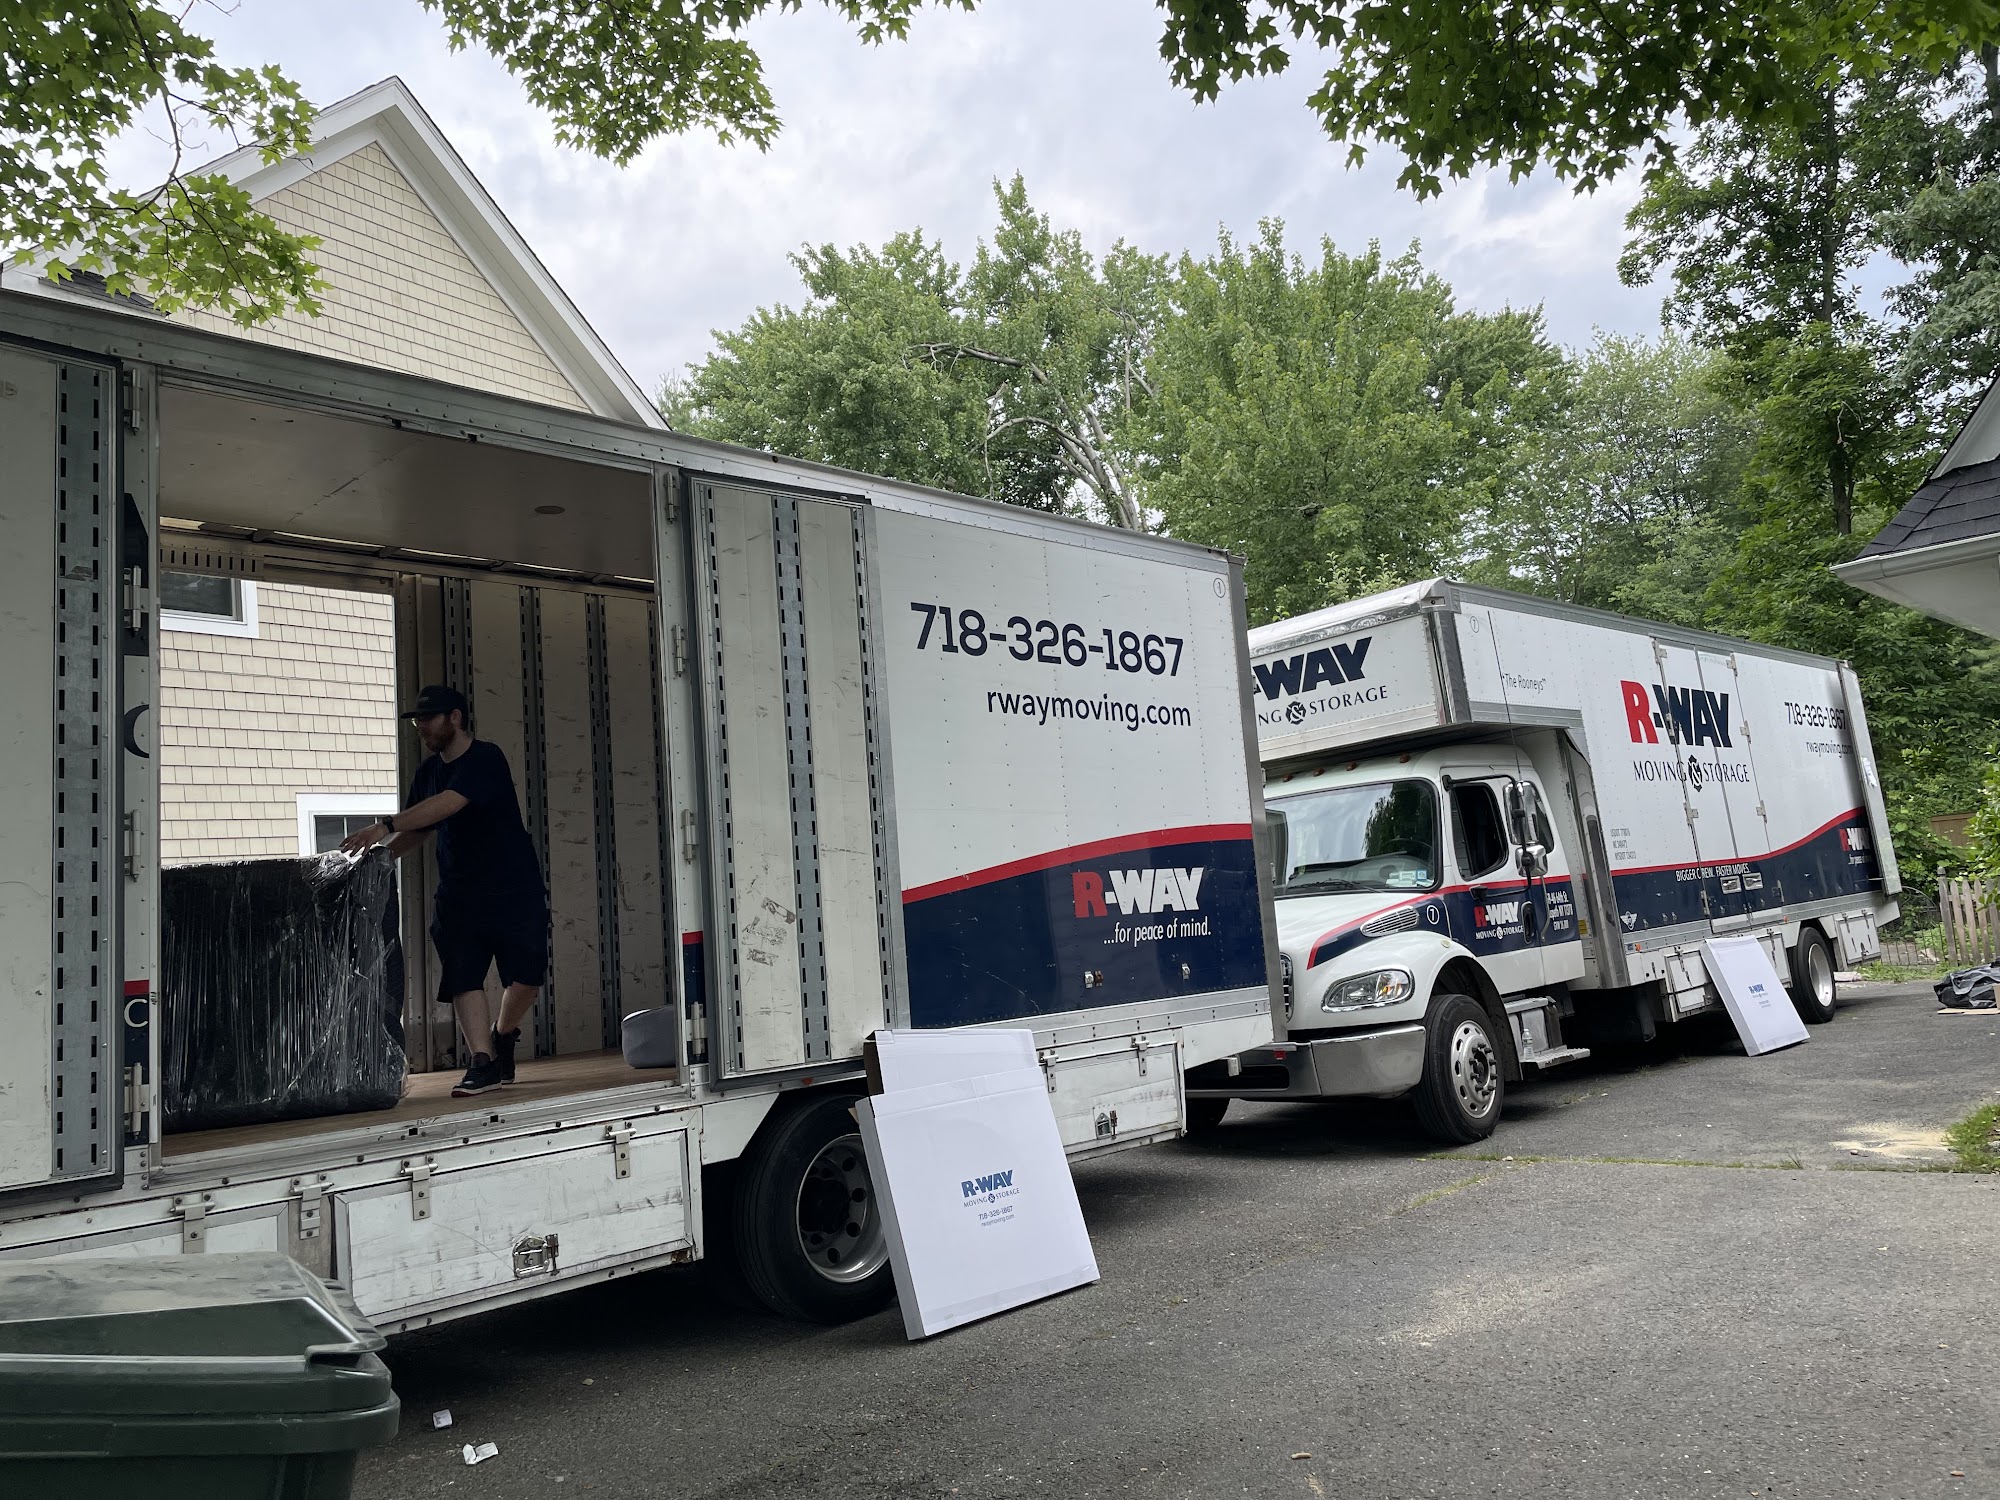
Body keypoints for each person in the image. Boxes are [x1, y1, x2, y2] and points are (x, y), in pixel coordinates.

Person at [342, 685, 548, 1097]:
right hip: (459, 893)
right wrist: (381, 858)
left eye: (428, 718)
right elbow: (422, 826)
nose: (420, 727)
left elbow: (449, 804)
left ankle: (503, 1034)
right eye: (416, 720)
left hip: (513, 887)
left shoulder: (486, 758)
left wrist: (385, 825)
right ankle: (483, 1062)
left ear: (455, 717)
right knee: (463, 975)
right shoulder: (428, 773)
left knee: (527, 976)